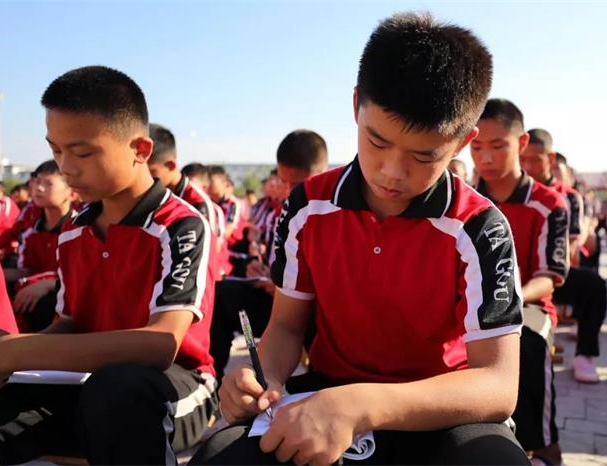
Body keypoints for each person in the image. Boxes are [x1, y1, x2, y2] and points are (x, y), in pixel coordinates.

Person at [192, 13, 528, 466]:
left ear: (461, 143)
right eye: (377, 141)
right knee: (220, 455)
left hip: (436, 410)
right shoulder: (308, 205)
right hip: (327, 394)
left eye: (423, 156)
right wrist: (261, 376)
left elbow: (498, 384)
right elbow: (286, 326)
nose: (392, 172)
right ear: (356, 106)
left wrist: (365, 403)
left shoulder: (479, 226)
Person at [0, 65, 218, 464]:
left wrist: (14, 353)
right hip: (87, 382)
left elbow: (161, 345)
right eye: (56, 151)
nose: (66, 167)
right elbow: (70, 321)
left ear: (140, 150)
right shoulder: (74, 231)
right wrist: (2, 352)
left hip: (175, 385)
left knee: (117, 392)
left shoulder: (180, 225)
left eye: (83, 152)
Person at [472, 99, 569, 466]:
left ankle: (544, 447)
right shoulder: (462, 198)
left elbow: (550, 277)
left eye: (498, 146)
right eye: (476, 147)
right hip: (470, 304)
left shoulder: (549, 204)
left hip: (528, 304)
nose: (485, 157)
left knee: (527, 339)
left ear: (522, 143)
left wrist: (507, 299)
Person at [210, 129, 328, 384]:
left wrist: (287, 288)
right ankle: (210, 381)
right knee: (221, 295)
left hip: (314, 311)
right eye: (283, 182)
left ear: (322, 174)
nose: (288, 191)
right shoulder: (286, 210)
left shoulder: (334, 214)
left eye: (297, 184)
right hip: (279, 303)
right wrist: (262, 271)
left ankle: (320, 383)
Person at [520, 128, 607, 384]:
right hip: (513, 274)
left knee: (594, 286)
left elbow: (571, 243)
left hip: (551, 272)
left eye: (535, 159)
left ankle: (584, 355)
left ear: (550, 158)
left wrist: (550, 271)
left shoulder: (568, 197)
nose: (528, 166)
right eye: (523, 159)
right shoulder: (507, 189)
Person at [4, 160, 76, 331]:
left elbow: (80, 279)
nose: (39, 188)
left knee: (44, 304)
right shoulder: (32, 232)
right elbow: (27, 270)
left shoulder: (81, 229)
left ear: (72, 193)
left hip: (64, 295)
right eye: (37, 182)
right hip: (33, 287)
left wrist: (47, 284)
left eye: (48, 183)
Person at [148, 123, 226, 253]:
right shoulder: (156, 194)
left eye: (150, 171)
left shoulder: (198, 202)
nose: (145, 177)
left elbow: (209, 251)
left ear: (170, 165)